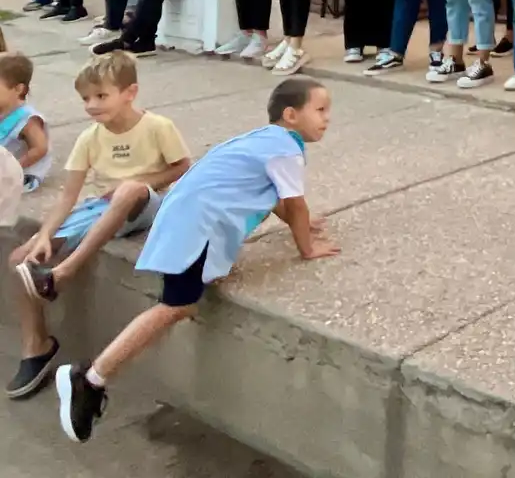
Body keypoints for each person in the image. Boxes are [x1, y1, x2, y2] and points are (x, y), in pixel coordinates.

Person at [53, 77, 339, 444]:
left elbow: (281, 199)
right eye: (321, 110)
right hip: (196, 226)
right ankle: (90, 378)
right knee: (175, 307)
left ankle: (91, 378)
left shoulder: (266, 140)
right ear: (291, 114)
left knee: (181, 302)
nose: (327, 118)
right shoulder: (286, 148)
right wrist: (307, 248)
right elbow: (294, 203)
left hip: (188, 218)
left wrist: (304, 222)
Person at [7, 52, 192, 400]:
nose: (91, 105)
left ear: (130, 92)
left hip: (150, 206)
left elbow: (182, 167)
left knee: (129, 190)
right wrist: (45, 235)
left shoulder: (157, 127)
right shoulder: (89, 138)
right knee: (20, 257)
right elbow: (68, 197)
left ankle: (64, 272)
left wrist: (140, 180)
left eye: (101, 96)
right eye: (85, 99)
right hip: (103, 208)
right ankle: (37, 347)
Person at [0, 53, 49, 193]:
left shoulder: (27, 118)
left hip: (20, 172)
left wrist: (15, 168)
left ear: (18, 89)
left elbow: (40, 148)